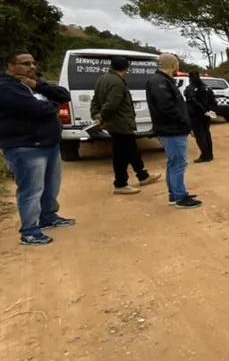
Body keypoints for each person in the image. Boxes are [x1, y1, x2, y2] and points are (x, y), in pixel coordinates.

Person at [0, 50, 76, 245]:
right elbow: (36, 108)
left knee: (51, 185)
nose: (31, 67)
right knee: (31, 190)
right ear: (10, 66)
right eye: (25, 63)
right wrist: (54, 107)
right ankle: (30, 231)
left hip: (49, 144)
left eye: (33, 63)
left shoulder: (34, 84)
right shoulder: (6, 87)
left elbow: (63, 95)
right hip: (25, 146)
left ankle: (48, 217)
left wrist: (37, 85)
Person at [90, 56, 162, 194]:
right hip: (120, 123)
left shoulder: (101, 79)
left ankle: (143, 175)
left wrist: (95, 115)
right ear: (126, 68)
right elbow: (112, 104)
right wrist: (101, 117)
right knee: (121, 155)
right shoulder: (117, 82)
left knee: (131, 149)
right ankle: (120, 183)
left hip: (116, 123)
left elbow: (95, 99)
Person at [145, 53, 202, 209]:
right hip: (172, 129)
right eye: (177, 63)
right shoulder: (159, 82)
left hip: (171, 128)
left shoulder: (162, 81)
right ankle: (180, 198)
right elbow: (166, 108)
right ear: (172, 64)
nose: (178, 66)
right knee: (179, 163)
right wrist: (183, 120)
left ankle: (175, 194)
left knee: (173, 163)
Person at [183, 70, 218, 163]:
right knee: (206, 134)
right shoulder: (207, 87)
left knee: (199, 135)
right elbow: (214, 101)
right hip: (207, 115)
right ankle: (209, 154)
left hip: (196, 115)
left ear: (189, 78)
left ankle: (205, 155)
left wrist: (203, 110)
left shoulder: (189, 88)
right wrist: (210, 111)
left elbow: (193, 101)